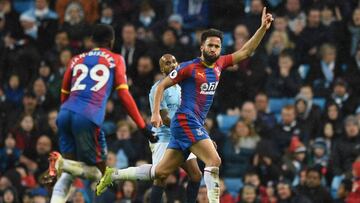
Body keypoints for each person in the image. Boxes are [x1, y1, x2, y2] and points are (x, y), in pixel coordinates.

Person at [96, 8, 273, 202]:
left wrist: (262, 28)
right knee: (214, 160)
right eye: (210, 45)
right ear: (202, 47)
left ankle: (113, 175)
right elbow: (162, 85)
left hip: (190, 124)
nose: (214, 49)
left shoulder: (220, 64)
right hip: (185, 121)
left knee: (161, 172)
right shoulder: (189, 67)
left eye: (217, 46)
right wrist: (155, 113)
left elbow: (247, 51)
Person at [47, 24, 158, 203]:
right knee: (102, 172)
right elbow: (123, 95)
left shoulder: (76, 59)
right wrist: (142, 126)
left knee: (70, 174)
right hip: (87, 117)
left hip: (65, 113)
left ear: (92, 41)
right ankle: (61, 163)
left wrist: (65, 117)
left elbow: (64, 93)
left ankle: (60, 173)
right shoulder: (115, 59)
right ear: (112, 41)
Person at [149, 54, 202, 203]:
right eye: (167, 63)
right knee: (161, 177)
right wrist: (186, 131)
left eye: (173, 62)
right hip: (164, 137)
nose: (172, 65)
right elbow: (164, 118)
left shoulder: (182, 87)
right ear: (161, 68)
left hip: (183, 135)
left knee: (196, 175)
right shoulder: (158, 89)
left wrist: (203, 136)